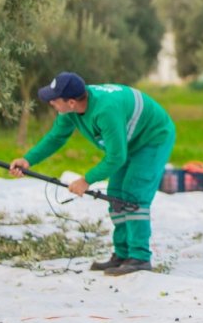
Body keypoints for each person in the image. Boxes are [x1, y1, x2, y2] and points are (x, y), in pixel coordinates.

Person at [10, 72, 176, 276]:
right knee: (116, 194)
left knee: (134, 195)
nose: (51, 102)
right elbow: (56, 137)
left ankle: (140, 258)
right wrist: (28, 160)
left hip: (152, 138)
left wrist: (86, 180)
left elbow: (116, 157)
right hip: (128, 143)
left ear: (71, 102)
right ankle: (123, 255)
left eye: (55, 99)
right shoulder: (71, 111)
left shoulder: (105, 110)